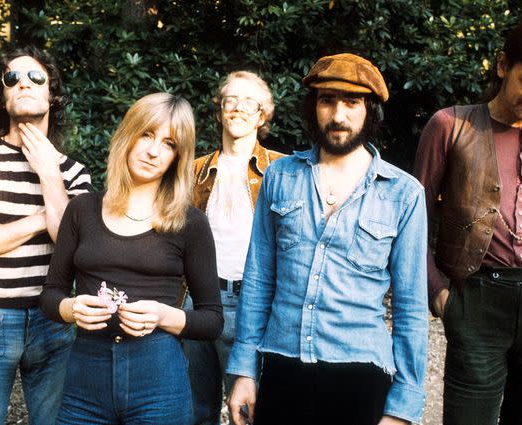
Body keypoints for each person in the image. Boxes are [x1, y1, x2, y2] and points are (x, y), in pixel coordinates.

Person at [226, 53, 428, 425]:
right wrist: (244, 371)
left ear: (370, 111)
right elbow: (258, 281)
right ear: (313, 107)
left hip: (360, 375)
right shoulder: (280, 177)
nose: (338, 116)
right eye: (327, 101)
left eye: (351, 103)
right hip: (282, 366)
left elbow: (411, 308)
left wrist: (402, 407)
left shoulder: (404, 193)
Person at [414, 14, 522, 425]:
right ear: (501, 65)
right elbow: (413, 225)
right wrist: (439, 295)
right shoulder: (450, 125)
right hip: (475, 300)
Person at [40, 92, 223, 424]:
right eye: (147, 134)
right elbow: (51, 294)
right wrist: (70, 308)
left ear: (177, 158)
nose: (153, 151)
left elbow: (212, 320)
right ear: (129, 134)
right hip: (85, 377)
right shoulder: (81, 210)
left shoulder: (190, 222)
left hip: (158, 378)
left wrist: (163, 315)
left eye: (169, 144)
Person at [0, 45, 91, 425]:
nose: (23, 83)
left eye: (36, 77)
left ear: (52, 93)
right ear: (2, 95)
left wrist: (48, 171)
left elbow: (71, 246)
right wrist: (41, 217)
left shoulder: (74, 172)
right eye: (12, 78)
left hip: (54, 320)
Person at [185, 71, 284, 425]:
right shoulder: (193, 172)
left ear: (263, 115)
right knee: (194, 411)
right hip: (198, 301)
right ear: (219, 111)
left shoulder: (282, 170)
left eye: (249, 102)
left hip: (255, 305)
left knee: (250, 411)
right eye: (231, 100)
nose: (239, 108)